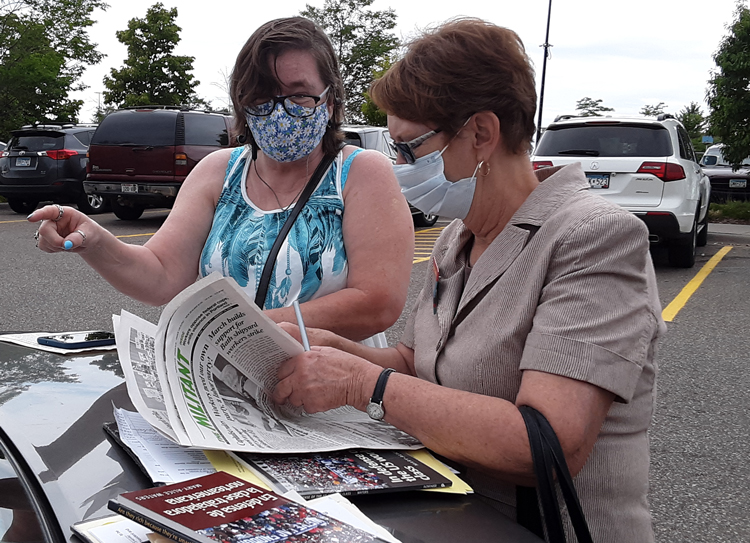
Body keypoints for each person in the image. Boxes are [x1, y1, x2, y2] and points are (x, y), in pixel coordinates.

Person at [271, 18, 666, 542]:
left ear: (481, 133)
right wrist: (332, 349)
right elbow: (419, 364)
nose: (398, 167)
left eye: (409, 149)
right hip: (449, 517)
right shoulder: (459, 236)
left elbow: (548, 445)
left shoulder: (593, 238)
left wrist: (360, 382)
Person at [27, 17, 413, 345]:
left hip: (328, 394)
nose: (280, 113)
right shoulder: (218, 170)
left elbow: (377, 301)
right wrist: (95, 241)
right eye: (263, 99)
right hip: (225, 392)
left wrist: (240, 331)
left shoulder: (361, 171)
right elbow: (161, 275)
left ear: (330, 101)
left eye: (298, 96)